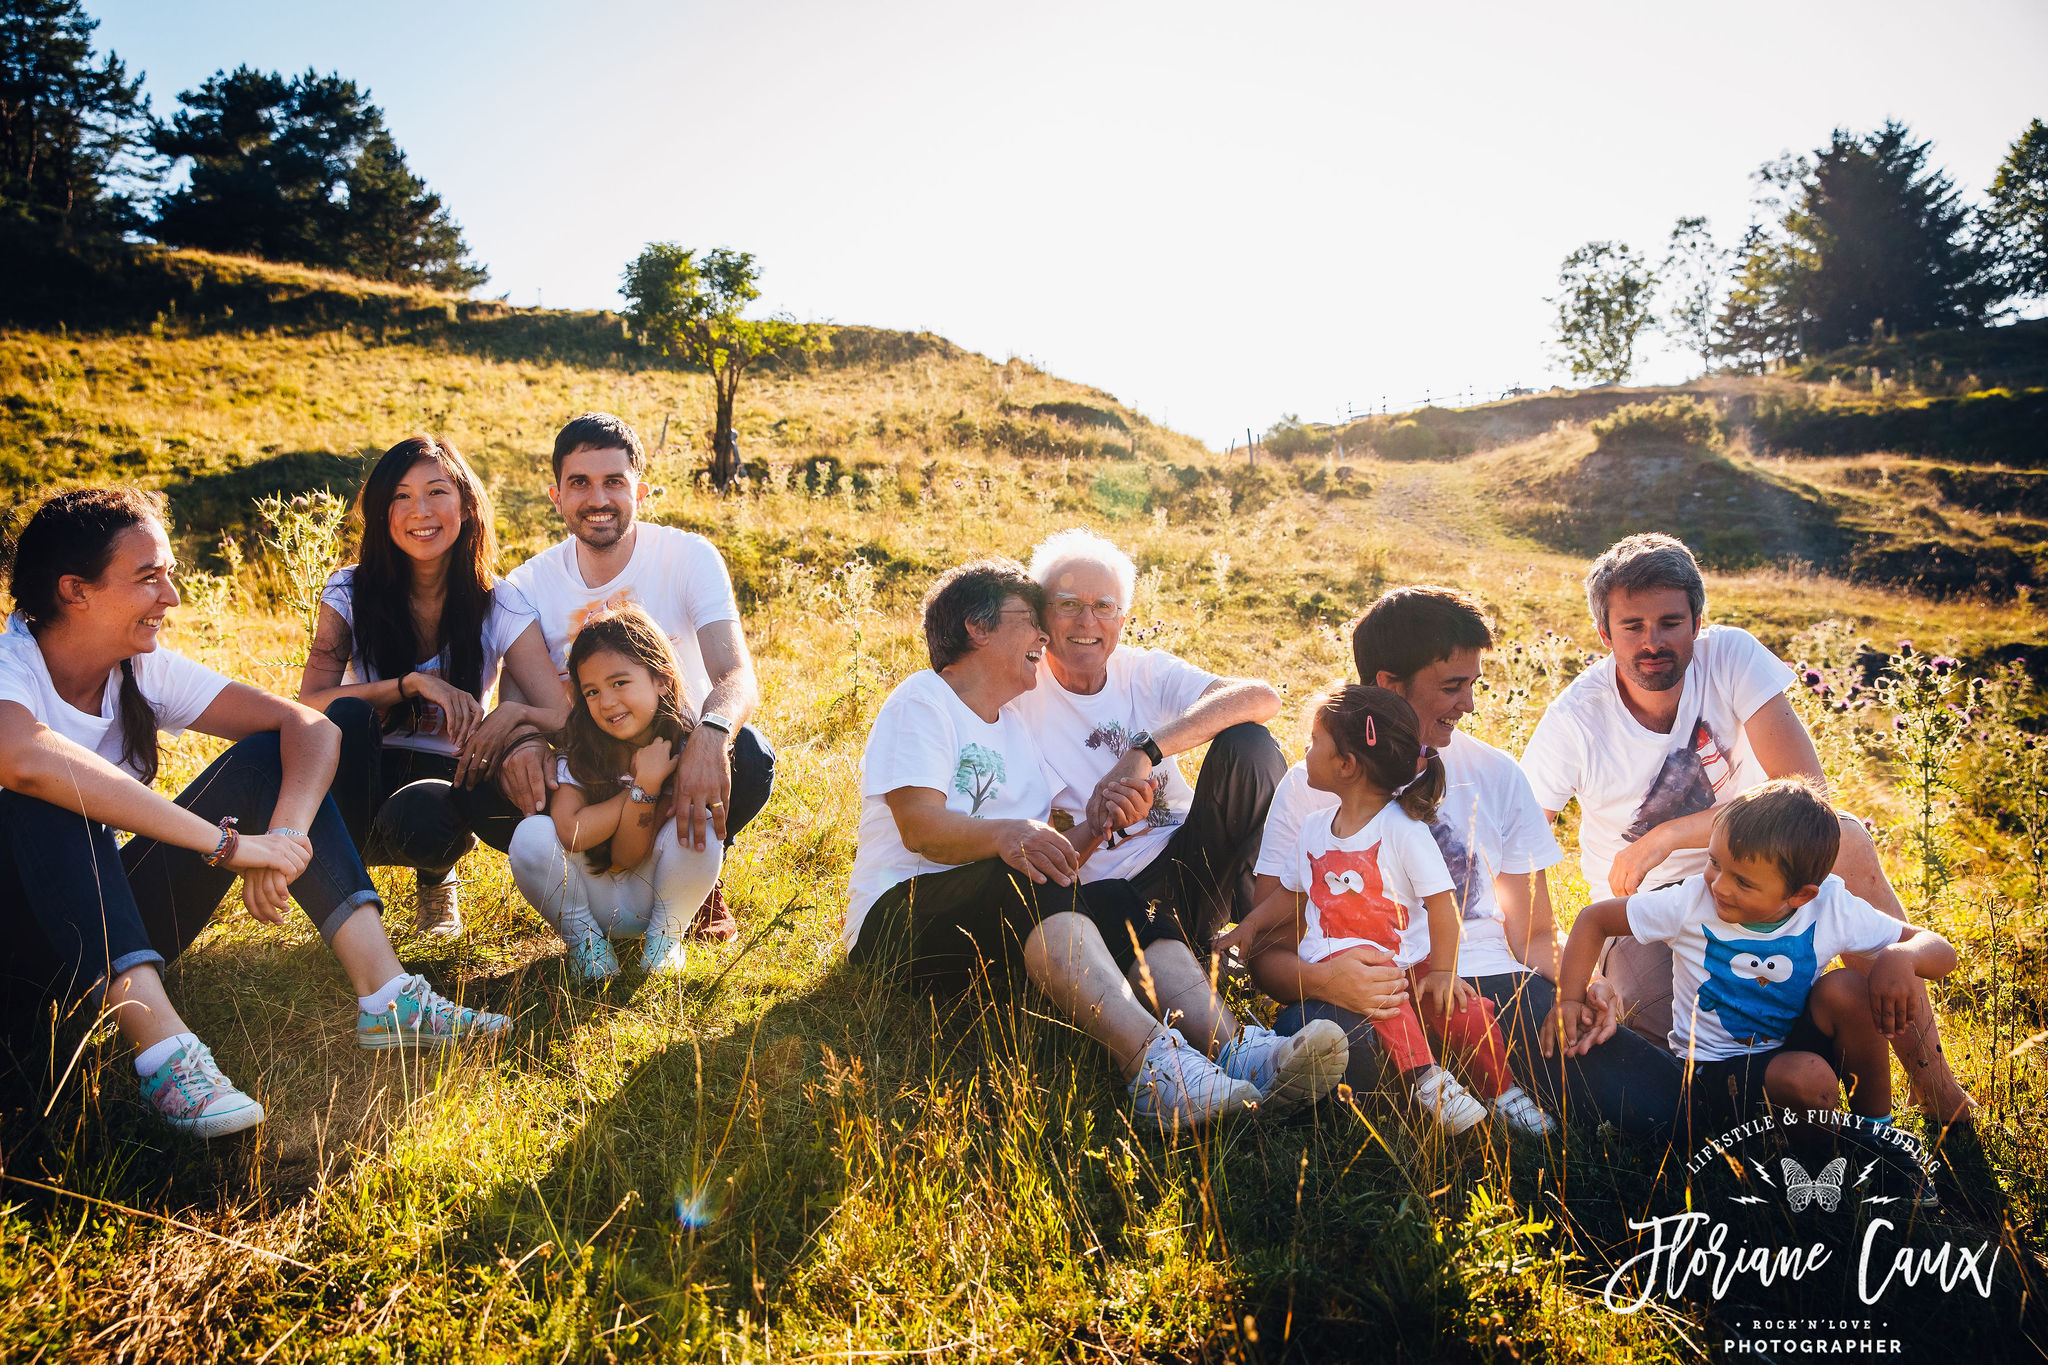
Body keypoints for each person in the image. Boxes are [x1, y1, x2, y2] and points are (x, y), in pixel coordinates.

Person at [0, 490, 507, 1138]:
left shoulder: (136, 668)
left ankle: (388, 998)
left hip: (88, 934)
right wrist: (231, 847)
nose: (172, 597)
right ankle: (165, 1054)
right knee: (50, 800)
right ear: (76, 590)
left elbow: (311, 726)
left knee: (274, 756)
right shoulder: (9, 667)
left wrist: (285, 835)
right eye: (149, 578)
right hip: (11, 955)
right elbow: (26, 762)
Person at [843, 558, 1349, 1133]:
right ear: (977, 628)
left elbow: (1053, 856)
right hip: (896, 925)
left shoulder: (1012, 727)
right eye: (1031, 620)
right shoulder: (924, 701)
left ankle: (1239, 1051)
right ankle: (1152, 1065)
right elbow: (920, 827)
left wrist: (1096, 824)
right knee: (1027, 875)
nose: (1043, 635)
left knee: (1115, 900)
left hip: (982, 921)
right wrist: (1013, 836)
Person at [1519, 533, 1972, 1123]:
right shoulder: (1576, 719)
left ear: (1698, 622)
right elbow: (1522, 834)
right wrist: (1541, 946)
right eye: (1631, 626)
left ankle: (1933, 1085)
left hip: (1761, 868)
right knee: (1678, 1086)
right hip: (1650, 909)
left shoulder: (1730, 654)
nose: (1652, 642)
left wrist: (1666, 836)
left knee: (1846, 837)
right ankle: (1800, 1086)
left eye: (1670, 622)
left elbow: (1805, 789)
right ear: (1605, 634)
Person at [1226, 586, 1683, 1140]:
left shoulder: (1496, 774)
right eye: (1451, 686)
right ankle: (1423, 1095)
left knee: (1662, 1105)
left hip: (1490, 985)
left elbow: (1535, 933)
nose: (1469, 704)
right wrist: (1324, 980)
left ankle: (1491, 1091)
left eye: (1472, 684)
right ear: (1388, 686)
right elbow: (1269, 949)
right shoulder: (1313, 784)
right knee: (1335, 1053)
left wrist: (1578, 984)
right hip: (1367, 990)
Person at [1546, 780, 1957, 1149]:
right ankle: (1811, 1167)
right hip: (1712, 1076)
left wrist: (1901, 956)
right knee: (1809, 1078)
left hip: (1793, 1047)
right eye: (1715, 863)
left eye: (1743, 881)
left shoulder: (1830, 905)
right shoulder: (1692, 901)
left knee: (1847, 989)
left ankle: (1876, 1136)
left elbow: (1939, 950)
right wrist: (1569, 999)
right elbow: (1594, 919)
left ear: (1800, 896)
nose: (1719, 885)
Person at [1231, 685, 1554, 1136]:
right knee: (1387, 1005)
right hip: (1339, 961)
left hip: (1408, 961)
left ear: (1346, 766)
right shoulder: (1312, 829)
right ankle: (1427, 1080)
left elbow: (1443, 908)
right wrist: (1248, 927)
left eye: (1313, 743)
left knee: (1469, 1014)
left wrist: (1442, 972)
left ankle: (1502, 1092)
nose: (1304, 752)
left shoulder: (1404, 831)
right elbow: (1291, 893)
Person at [500, 412, 772, 943]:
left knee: (752, 754)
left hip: (671, 754)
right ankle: (578, 889)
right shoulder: (527, 583)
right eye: (579, 482)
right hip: (585, 766)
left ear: (641, 492)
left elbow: (737, 673)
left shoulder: (689, 556)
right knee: (501, 777)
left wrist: (710, 737)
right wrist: (527, 744)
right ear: (556, 496)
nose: (597, 498)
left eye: (614, 482)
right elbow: (511, 700)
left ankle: (693, 881)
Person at [298, 435, 569, 936]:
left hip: (446, 774)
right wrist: (411, 685)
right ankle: (350, 905)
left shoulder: (499, 602)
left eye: (436, 492)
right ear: (382, 512)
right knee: (348, 716)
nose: (419, 510)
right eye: (400, 496)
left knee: (424, 812)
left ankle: (436, 880)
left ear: (466, 505)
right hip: (363, 768)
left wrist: (513, 717)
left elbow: (563, 718)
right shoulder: (347, 591)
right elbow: (309, 706)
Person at [1006, 529, 1285, 954]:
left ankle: (1263, 942)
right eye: (1068, 605)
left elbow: (1261, 697)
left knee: (1250, 746)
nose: (1087, 621)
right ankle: (1203, 952)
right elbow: (1032, 858)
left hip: (1192, 851)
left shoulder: (1141, 670)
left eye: (1103, 606)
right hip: (1121, 894)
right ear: (1042, 617)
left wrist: (1145, 751)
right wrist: (1103, 822)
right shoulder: (1018, 698)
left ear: (1122, 619)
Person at [507, 608, 724, 979]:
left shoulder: (685, 751)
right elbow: (571, 832)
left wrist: (651, 783)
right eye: (592, 691)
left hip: (656, 893)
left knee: (698, 823)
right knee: (530, 836)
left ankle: (665, 939)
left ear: (661, 679)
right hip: (590, 897)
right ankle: (586, 942)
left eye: (620, 683)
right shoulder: (581, 752)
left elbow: (628, 853)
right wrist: (642, 787)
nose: (606, 703)